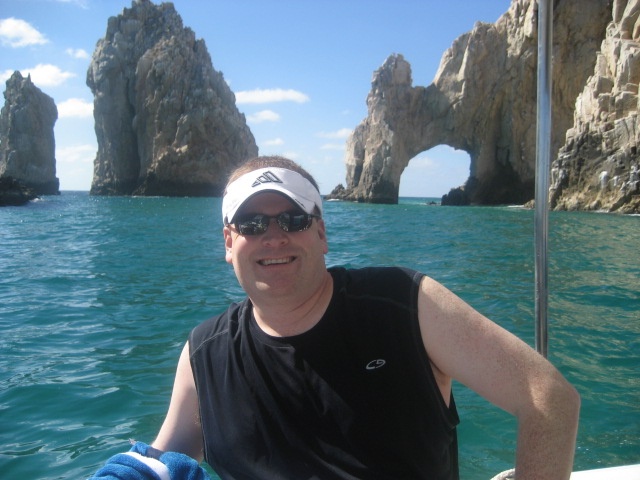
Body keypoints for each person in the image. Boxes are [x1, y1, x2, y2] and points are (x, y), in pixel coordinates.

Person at [92, 155, 580, 480]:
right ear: (228, 242)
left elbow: (548, 397)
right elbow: (165, 459)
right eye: (253, 224)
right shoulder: (204, 351)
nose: (274, 236)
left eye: (294, 219)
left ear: (321, 233)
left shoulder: (403, 305)